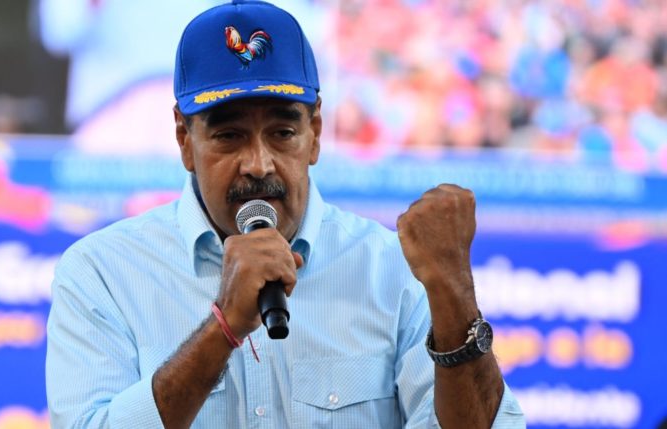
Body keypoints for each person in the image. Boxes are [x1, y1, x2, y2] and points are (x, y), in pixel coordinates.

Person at [45, 1, 525, 428]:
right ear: (183, 140)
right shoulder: (101, 273)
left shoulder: (393, 269)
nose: (258, 164)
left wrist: (453, 295)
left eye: (282, 133)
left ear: (315, 133)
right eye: (229, 136)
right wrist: (222, 329)